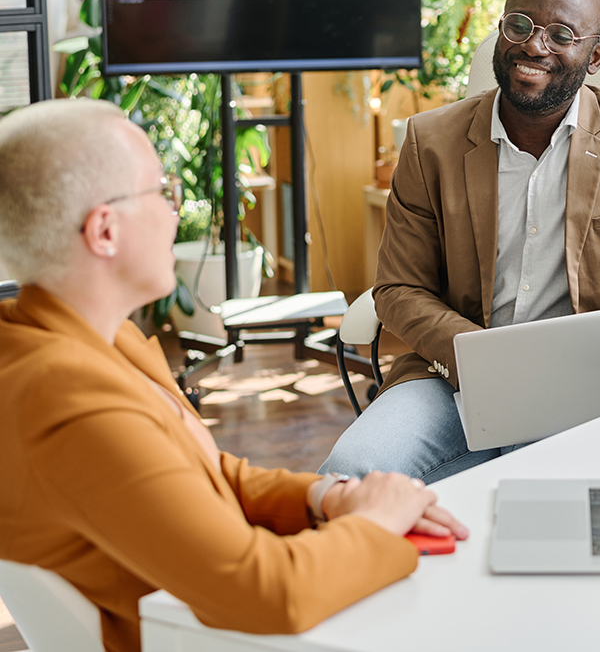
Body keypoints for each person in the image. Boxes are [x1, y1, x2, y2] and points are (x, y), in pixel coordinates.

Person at [0, 99, 467, 652]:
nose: (177, 211)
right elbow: (268, 592)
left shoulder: (82, 335)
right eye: (161, 193)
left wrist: (324, 497)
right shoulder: (68, 399)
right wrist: (375, 523)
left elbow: (201, 471)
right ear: (105, 230)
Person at [320, 0, 600, 483]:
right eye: (520, 26)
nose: (534, 46)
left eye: (562, 35)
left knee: (536, 481)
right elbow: (398, 287)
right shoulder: (429, 141)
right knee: (346, 476)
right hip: (455, 378)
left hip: (585, 383)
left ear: (594, 57)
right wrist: (483, 362)